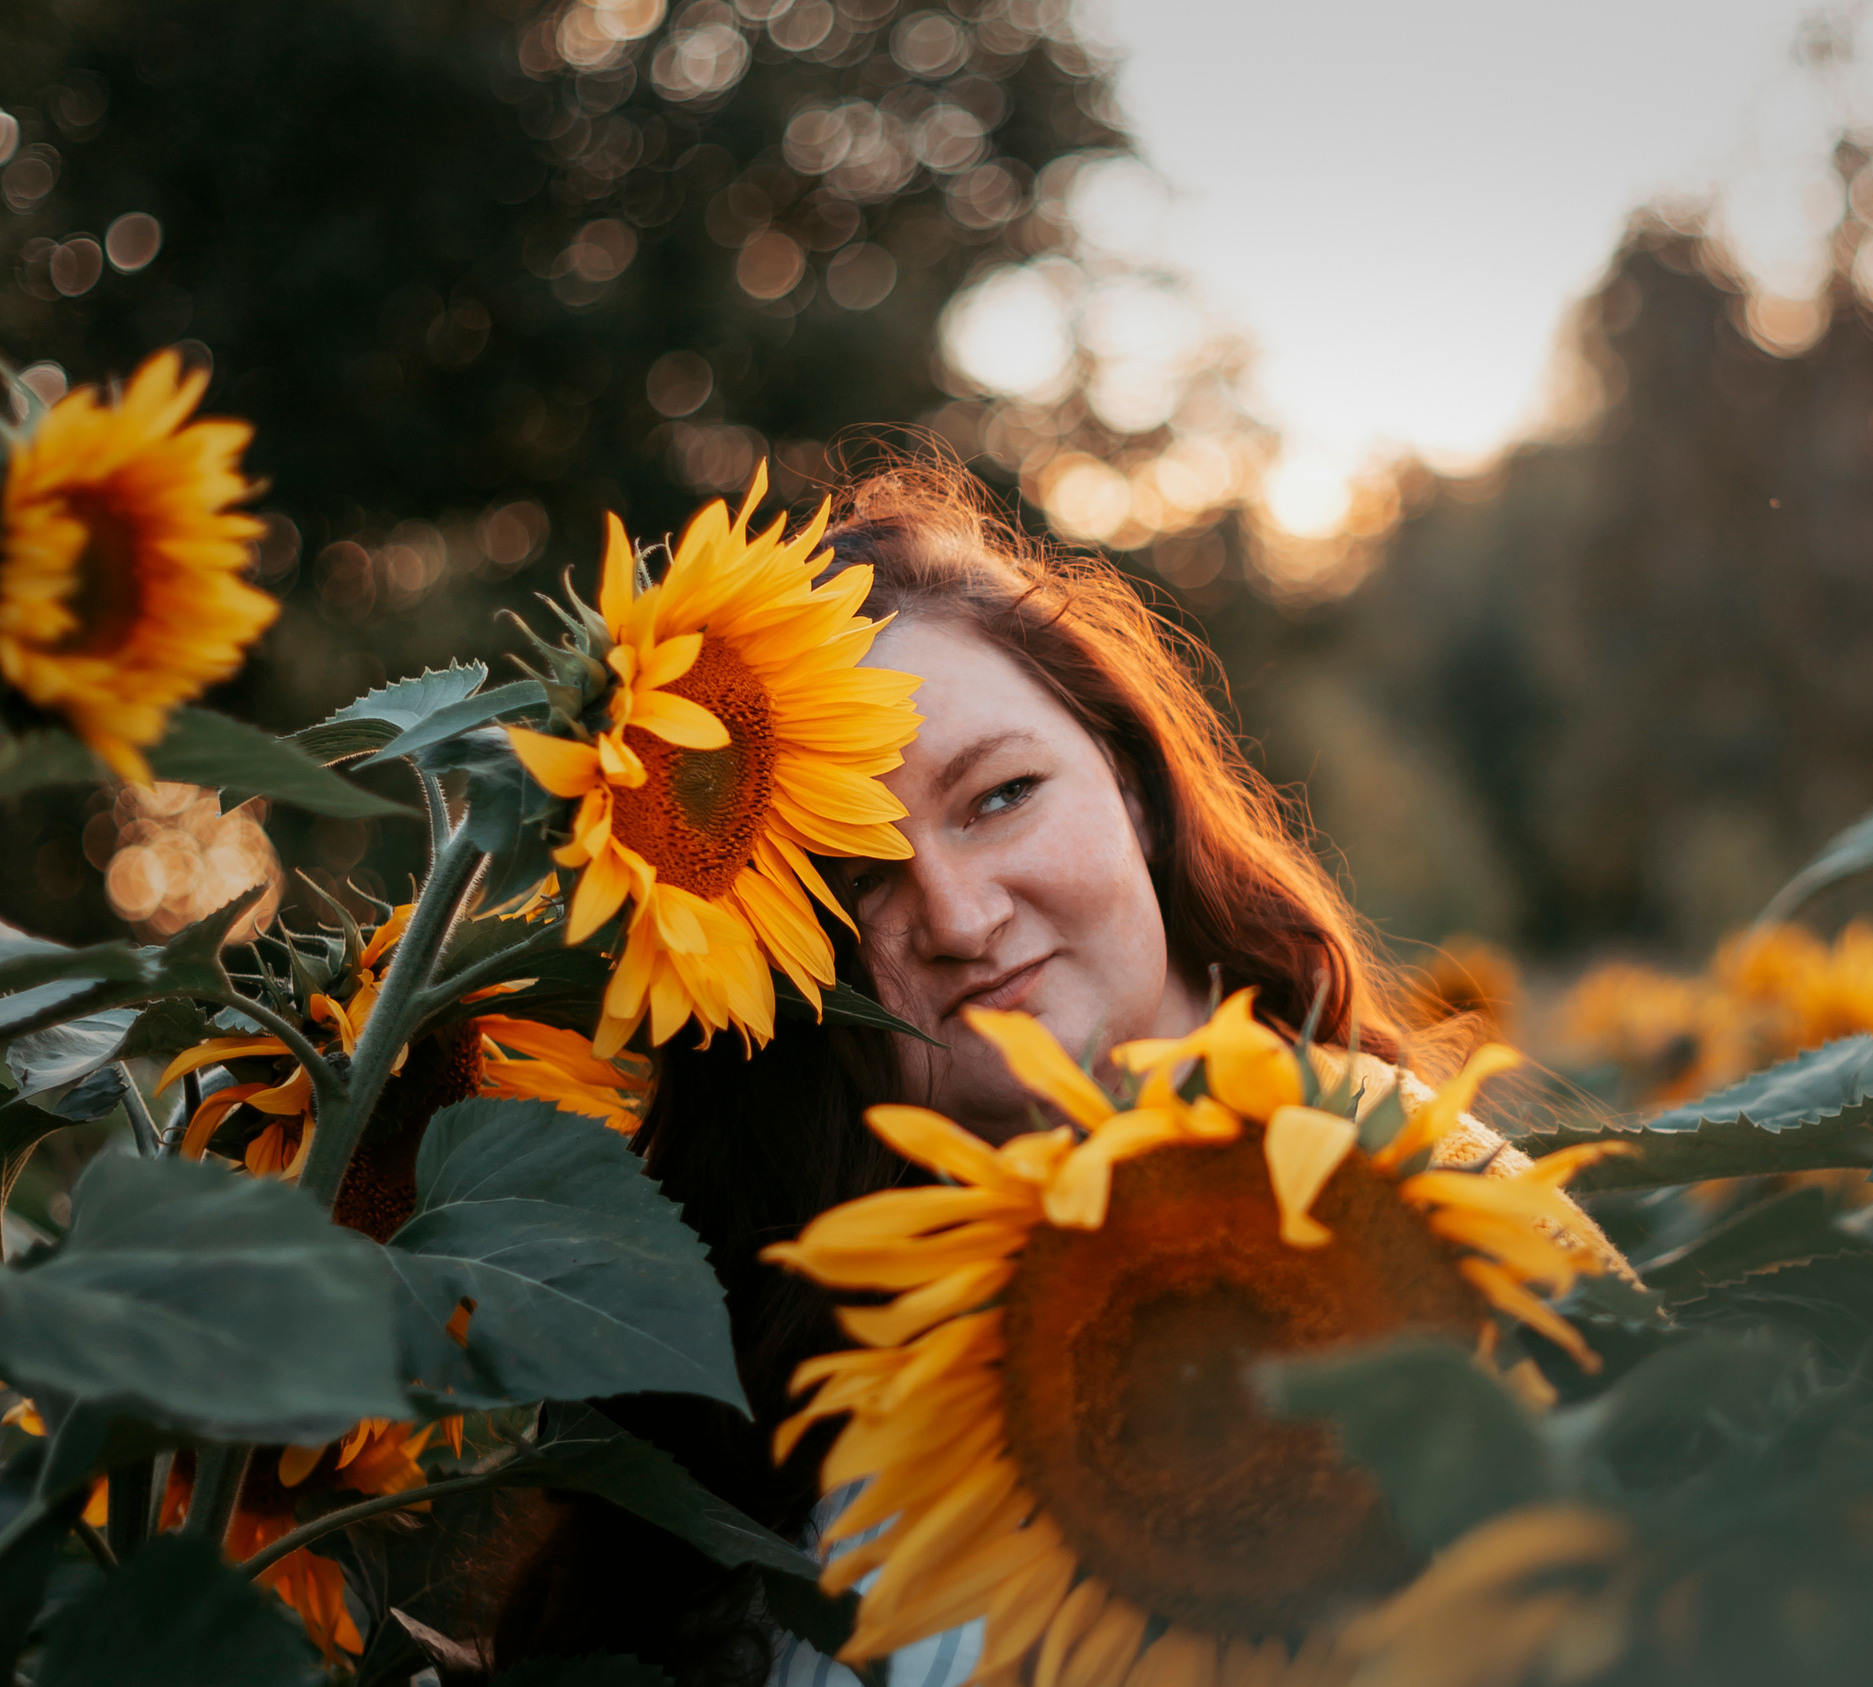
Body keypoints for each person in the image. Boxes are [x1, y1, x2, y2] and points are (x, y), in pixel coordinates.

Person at [484, 459, 1538, 1687]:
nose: (956, 914)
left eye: (1000, 795)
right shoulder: (780, 1368)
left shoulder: (1410, 1209)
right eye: (854, 877)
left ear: (1134, 786)